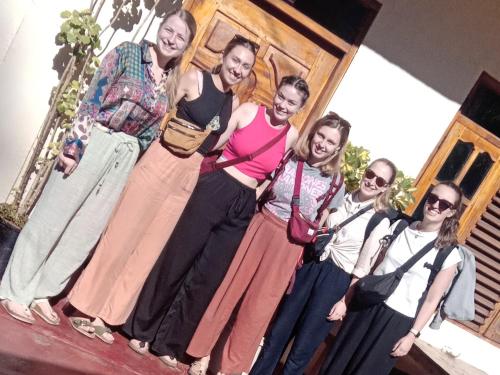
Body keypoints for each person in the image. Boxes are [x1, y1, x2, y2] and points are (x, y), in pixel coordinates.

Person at [0, 9, 196, 326]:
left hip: (123, 156)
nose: (171, 39)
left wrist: (133, 157)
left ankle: (42, 292)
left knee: (84, 232)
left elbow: (151, 130)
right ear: (161, 28)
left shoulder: (171, 82)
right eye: (169, 29)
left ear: (186, 45)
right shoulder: (127, 53)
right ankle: (14, 289)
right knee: (53, 216)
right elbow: (93, 98)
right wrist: (73, 146)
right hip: (96, 141)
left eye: (180, 37)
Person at [67, 34, 258, 344]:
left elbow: (216, 144)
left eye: (245, 66)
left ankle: (108, 316)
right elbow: (157, 113)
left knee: (149, 248)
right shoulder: (193, 79)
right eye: (235, 60)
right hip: (162, 159)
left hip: (189, 172)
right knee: (122, 234)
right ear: (224, 56)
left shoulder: (233, 102)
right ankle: (86, 304)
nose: (238, 68)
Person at [123, 75, 309, 369]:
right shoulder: (249, 111)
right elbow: (216, 143)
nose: (282, 105)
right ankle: (142, 328)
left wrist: (254, 195)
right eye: (281, 96)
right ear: (275, 93)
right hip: (215, 187)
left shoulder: (291, 136)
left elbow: (276, 175)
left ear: (299, 108)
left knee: (206, 276)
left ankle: (170, 343)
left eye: (291, 102)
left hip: (243, 203)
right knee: (178, 258)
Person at [186, 112, 350, 375]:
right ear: (313, 133)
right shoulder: (290, 157)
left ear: (338, 148)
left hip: (289, 246)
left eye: (331, 141)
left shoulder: (336, 182)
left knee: (258, 311)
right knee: (228, 291)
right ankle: (202, 353)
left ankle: (228, 369)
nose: (322, 144)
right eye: (320, 135)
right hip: (261, 227)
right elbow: (263, 187)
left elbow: (323, 222)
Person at [251, 158, 398, 375]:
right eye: (370, 174)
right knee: (278, 333)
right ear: (364, 173)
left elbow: (363, 267)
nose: (372, 182)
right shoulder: (340, 197)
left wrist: (344, 301)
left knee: (303, 347)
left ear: (385, 187)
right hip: (312, 266)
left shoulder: (379, 220)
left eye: (380, 180)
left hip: (337, 281)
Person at [319, 181, 464, 375]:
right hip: (366, 305)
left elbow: (432, 300)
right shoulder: (400, 227)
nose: (436, 205)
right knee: (335, 364)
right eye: (433, 198)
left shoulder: (448, 254)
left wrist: (412, 335)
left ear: (452, 212)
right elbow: (370, 265)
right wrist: (348, 298)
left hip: (396, 321)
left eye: (445, 204)